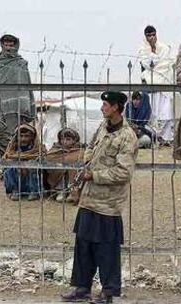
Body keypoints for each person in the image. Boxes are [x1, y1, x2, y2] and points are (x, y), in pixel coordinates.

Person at [61, 91, 138, 303]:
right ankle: (81, 287)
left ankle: (109, 291)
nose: (102, 108)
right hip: (89, 199)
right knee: (83, 244)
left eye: (105, 104)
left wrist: (94, 175)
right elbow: (91, 150)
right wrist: (86, 166)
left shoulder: (127, 136)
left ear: (115, 107)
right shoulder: (103, 127)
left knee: (106, 249)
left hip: (108, 203)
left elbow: (124, 173)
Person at [0, 34, 35, 137]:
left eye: (11, 45)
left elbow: (27, 83)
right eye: (6, 45)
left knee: (22, 134)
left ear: (16, 46)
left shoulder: (21, 63)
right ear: (2, 46)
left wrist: (27, 103)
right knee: (5, 134)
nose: (9, 48)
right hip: (4, 105)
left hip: (21, 106)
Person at [137, 25, 175, 145]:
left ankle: (166, 138)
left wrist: (154, 62)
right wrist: (153, 55)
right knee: (153, 113)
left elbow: (167, 63)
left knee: (166, 112)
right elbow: (147, 64)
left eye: (153, 35)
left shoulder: (164, 48)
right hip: (151, 85)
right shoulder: (142, 50)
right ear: (145, 37)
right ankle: (154, 138)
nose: (152, 37)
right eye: (149, 36)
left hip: (164, 84)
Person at [3, 123, 44, 201]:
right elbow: (8, 156)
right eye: (21, 136)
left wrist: (26, 162)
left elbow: (40, 157)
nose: (23, 139)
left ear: (32, 137)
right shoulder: (13, 146)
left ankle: (33, 191)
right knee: (10, 166)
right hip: (17, 172)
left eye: (26, 136)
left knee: (32, 165)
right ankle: (15, 190)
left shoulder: (37, 147)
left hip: (30, 174)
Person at [44, 128, 84, 203]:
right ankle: (60, 191)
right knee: (61, 169)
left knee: (72, 168)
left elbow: (82, 160)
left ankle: (71, 191)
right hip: (59, 175)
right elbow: (48, 158)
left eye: (68, 139)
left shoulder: (80, 149)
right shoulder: (55, 149)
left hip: (72, 175)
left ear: (75, 140)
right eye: (62, 139)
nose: (64, 142)